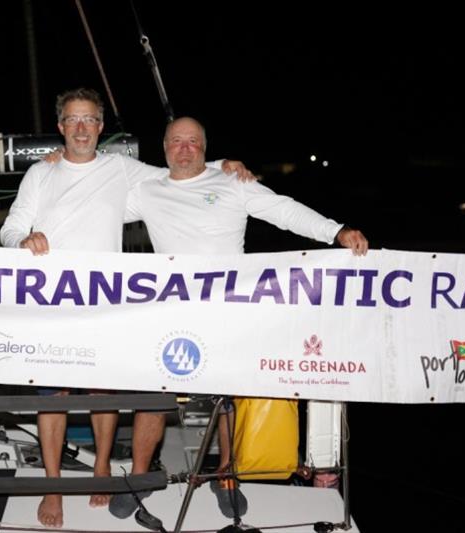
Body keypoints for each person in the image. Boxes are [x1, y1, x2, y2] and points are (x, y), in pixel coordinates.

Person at [0, 89, 253, 528]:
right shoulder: (41, 173)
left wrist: (223, 166)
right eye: (73, 120)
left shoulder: (119, 168)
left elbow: (176, 171)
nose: (81, 128)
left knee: (102, 390)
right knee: (54, 395)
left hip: (103, 302)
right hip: (51, 300)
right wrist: (22, 240)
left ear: (101, 127)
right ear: (61, 127)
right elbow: (11, 226)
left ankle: (101, 469)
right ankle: (53, 485)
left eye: (90, 120)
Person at [108, 116, 368, 520]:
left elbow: (283, 209)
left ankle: (226, 476)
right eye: (177, 141)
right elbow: (93, 213)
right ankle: (141, 477)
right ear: (164, 148)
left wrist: (336, 232)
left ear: (205, 148)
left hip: (229, 312)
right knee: (152, 400)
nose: (185, 148)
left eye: (193, 142)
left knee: (226, 400)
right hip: (169, 313)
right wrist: (61, 171)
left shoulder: (232, 183)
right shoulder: (147, 190)